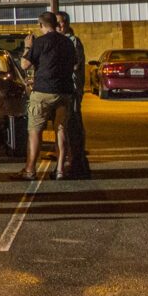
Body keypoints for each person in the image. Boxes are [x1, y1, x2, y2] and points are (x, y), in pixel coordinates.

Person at [13, 11, 77, 181]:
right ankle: (60, 170)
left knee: (35, 131)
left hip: (43, 91)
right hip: (64, 92)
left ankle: (30, 169)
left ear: (41, 25)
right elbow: (75, 64)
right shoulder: (68, 42)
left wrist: (28, 46)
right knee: (61, 130)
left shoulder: (40, 42)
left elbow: (25, 64)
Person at [56, 11, 91, 179]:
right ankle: (74, 160)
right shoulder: (62, 41)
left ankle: (77, 162)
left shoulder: (73, 41)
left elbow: (75, 65)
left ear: (67, 23)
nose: (59, 26)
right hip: (66, 87)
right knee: (68, 124)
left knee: (74, 123)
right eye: (57, 23)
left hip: (73, 88)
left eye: (62, 23)